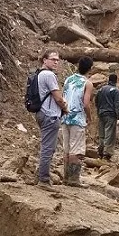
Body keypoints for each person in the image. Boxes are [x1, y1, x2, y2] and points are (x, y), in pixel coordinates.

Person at [35, 50, 68, 188]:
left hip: (41, 112)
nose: (56, 62)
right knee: (48, 148)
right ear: (44, 60)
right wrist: (66, 108)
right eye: (53, 59)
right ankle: (43, 179)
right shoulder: (49, 75)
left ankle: (42, 175)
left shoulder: (39, 74)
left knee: (46, 146)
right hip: (50, 114)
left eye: (57, 59)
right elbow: (58, 97)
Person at [60, 56, 93, 187]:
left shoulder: (69, 79)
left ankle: (66, 177)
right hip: (78, 117)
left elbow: (63, 96)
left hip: (65, 116)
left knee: (66, 147)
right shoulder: (87, 83)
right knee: (76, 148)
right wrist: (89, 117)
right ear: (90, 68)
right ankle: (74, 179)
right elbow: (86, 104)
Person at [95, 73, 119, 159]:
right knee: (109, 134)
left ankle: (100, 151)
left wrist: (99, 111)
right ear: (116, 81)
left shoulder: (101, 90)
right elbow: (118, 105)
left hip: (101, 113)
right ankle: (107, 153)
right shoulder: (116, 91)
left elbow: (96, 101)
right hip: (110, 115)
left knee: (102, 134)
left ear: (108, 80)